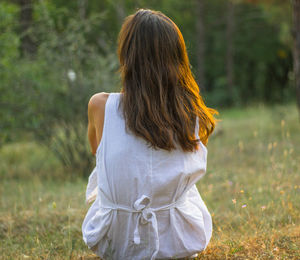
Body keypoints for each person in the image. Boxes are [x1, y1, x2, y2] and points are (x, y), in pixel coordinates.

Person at [82, 8, 218, 260]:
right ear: (177, 59)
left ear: (127, 55)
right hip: (179, 241)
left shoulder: (100, 106)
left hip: (114, 241)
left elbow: (96, 152)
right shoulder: (191, 112)